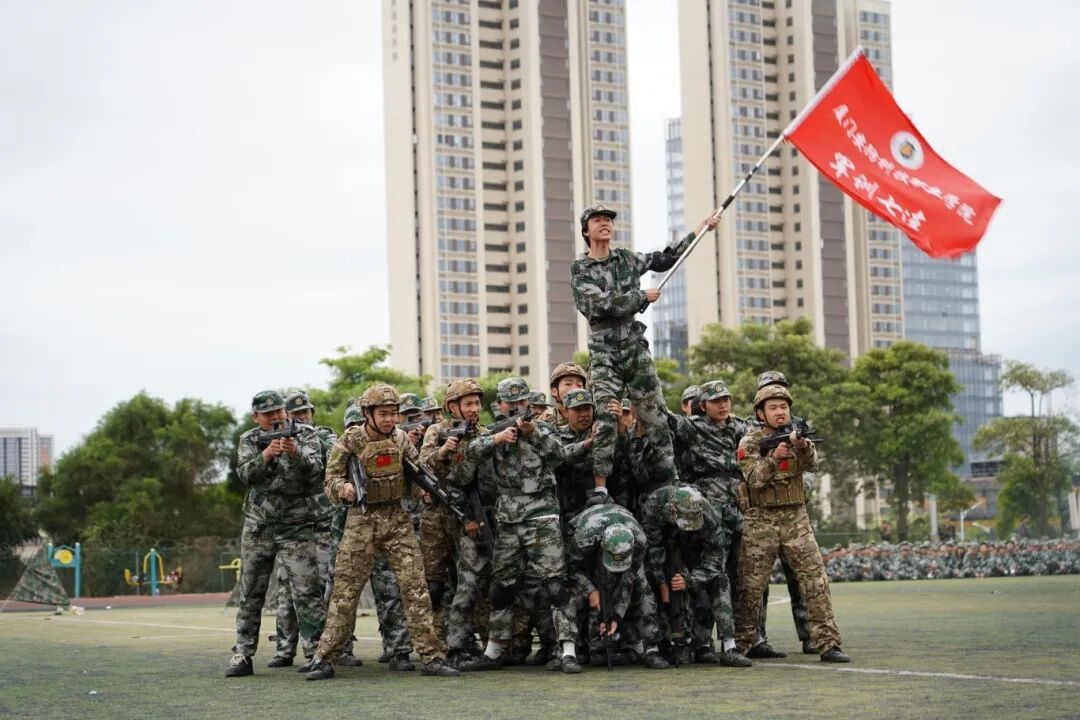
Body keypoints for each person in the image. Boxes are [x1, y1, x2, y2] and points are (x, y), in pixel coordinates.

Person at [305, 384, 459, 679]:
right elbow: (330, 480)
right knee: (345, 592)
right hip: (361, 520)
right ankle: (324, 658)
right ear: (368, 414)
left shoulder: (401, 440)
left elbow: (417, 473)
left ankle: (432, 656)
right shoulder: (350, 440)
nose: (390, 419)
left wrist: (424, 492)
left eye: (393, 413)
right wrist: (343, 488)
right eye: (383, 414)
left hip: (396, 519)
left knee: (416, 587)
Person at [570, 204, 718, 505]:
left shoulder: (627, 259)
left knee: (656, 415)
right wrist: (640, 296)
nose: (605, 224)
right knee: (607, 417)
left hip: (634, 349)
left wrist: (700, 229)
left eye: (609, 220)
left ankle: (669, 477)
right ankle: (600, 486)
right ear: (586, 230)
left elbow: (666, 258)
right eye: (598, 220)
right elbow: (598, 305)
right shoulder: (581, 269)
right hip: (604, 354)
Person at [452, 378, 593, 674]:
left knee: (555, 585)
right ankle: (494, 651)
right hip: (508, 518)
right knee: (501, 587)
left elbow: (559, 458)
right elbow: (467, 461)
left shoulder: (543, 429)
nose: (517, 407)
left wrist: (532, 433)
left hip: (542, 514)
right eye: (511, 403)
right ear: (499, 405)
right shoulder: (491, 433)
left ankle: (567, 651)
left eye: (522, 402)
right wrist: (497, 439)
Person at [734, 384, 850, 663]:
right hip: (761, 519)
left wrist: (803, 448)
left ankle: (828, 643)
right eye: (773, 407)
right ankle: (740, 644)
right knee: (750, 586)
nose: (780, 412)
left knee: (816, 580)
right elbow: (754, 479)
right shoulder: (749, 442)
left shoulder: (799, 437)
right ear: (760, 413)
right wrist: (774, 459)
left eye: (784, 407)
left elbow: (812, 464)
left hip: (796, 518)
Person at [226, 390, 326, 678]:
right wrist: (267, 454)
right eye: (267, 414)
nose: (275, 417)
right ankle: (243, 653)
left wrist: (295, 453)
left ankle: (317, 653)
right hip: (260, 525)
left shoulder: (305, 434)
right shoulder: (249, 439)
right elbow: (245, 474)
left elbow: (317, 472)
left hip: (297, 524)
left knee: (307, 589)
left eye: (278, 411)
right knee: (251, 591)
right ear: (255, 417)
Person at [268, 391, 361, 668]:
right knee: (287, 588)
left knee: (328, 583)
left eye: (306, 412)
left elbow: (335, 460)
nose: (303, 417)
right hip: (290, 524)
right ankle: (285, 649)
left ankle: (338, 647)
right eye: (296, 414)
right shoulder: (273, 441)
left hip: (322, 522)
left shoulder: (324, 437)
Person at [641, 485, 750, 667]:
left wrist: (690, 580)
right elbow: (654, 548)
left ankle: (729, 647)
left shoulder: (707, 511)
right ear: (673, 510)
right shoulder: (655, 505)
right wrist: (661, 582)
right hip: (665, 552)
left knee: (720, 579)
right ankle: (660, 645)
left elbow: (716, 557)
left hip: (696, 549)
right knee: (649, 584)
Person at [563, 502, 670, 669]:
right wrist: (590, 590)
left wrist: (616, 617)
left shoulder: (639, 541)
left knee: (643, 589)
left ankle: (652, 649)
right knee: (567, 591)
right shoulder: (584, 537)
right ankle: (568, 653)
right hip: (585, 551)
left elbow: (628, 580)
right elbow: (571, 568)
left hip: (621, 542)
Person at [539, 362, 589, 427]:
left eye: (579, 385)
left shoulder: (593, 418)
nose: (575, 389)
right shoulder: (546, 420)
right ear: (554, 391)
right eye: (568, 384)